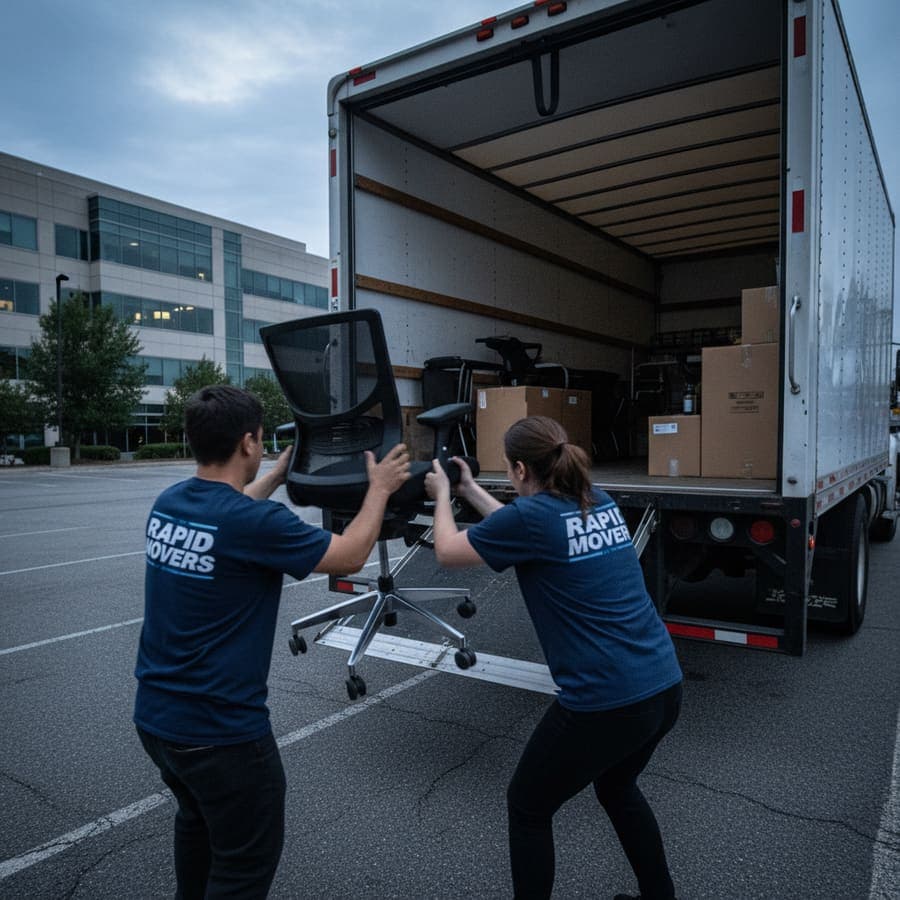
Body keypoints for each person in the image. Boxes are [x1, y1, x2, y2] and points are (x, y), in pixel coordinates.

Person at [134, 384, 410, 899]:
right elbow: (350, 555)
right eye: (260, 440)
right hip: (221, 736)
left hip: (157, 723)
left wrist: (276, 475)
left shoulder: (170, 503)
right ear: (248, 443)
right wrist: (380, 489)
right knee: (241, 870)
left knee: (197, 827)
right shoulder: (253, 522)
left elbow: (229, 517)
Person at [425, 415, 683, 900]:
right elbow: (518, 524)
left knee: (528, 807)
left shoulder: (531, 520)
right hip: (663, 687)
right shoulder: (595, 501)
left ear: (520, 470)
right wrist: (471, 488)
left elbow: (446, 550)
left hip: (607, 702)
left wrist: (442, 493)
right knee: (617, 788)